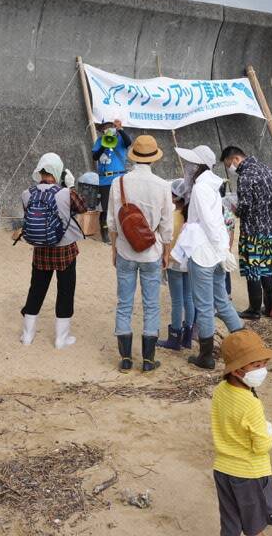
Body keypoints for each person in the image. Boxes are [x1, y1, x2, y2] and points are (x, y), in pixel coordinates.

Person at [107, 134, 174, 373]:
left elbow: (112, 223)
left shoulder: (119, 183)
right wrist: (166, 251)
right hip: (151, 251)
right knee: (151, 304)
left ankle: (125, 358)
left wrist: (114, 250)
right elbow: (167, 226)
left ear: (134, 156)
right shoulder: (163, 185)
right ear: (153, 158)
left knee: (124, 303)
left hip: (125, 249)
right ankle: (148, 359)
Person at [174, 145, 241, 369]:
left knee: (204, 306)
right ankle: (243, 344)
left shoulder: (202, 189)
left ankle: (206, 355)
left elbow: (209, 222)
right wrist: (222, 249)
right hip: (214, 253)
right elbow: (218, 221)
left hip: (203, 253)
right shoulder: (211, 186)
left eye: (192, 164)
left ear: (199, 166)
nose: (189, 167)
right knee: (222, 301)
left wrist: (221, 248)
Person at [211, 329, 272, 536]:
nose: (262, 370)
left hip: (223, 470)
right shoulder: (250, 404)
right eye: (255, 365)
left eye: (263, 364)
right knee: (255, 527)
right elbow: (261, 446)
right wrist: (268, 433)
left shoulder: (220, 391)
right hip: (250, 473)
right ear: (236, 370)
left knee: (230, 524)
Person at [18, 153, 87, 350]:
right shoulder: (66, 193)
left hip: (40, 250)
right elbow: (83, 207)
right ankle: (61, 338)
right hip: (65, 250)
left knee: (36, 290)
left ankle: (27, 336)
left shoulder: (27, 193)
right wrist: (71, 186)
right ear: (58, 171)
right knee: (65, 291)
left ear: (40, 171)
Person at [222, 146, 272, 319]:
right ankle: (271, 307)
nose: (230, 168)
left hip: (253, 230)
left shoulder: (245, 176)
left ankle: (254, 309)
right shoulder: (266, 169)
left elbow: (244, 206)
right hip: (269, 228)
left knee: (253, 269)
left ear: (236, 159)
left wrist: (234, 209)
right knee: (266, 269)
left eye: (228, 164)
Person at [158, 179, 195, 351]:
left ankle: (174, 336)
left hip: (174, 261)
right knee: (188, 298)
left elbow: (166, 240)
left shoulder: (172, 217)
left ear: (174, 197)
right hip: (189, 261)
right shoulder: (191, 217)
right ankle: (188, 335)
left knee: (177, 300)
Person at [92, 119, 133, 242]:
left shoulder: (121, 139)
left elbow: (128, 142)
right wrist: (103, 146)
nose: (107, 129)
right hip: (105, 179)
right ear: (101, 130)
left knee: (122, 206)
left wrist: (120, 129)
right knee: (105, 208)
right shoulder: (99, 141)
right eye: (105, 127)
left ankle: (122, 231)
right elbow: (94, 156)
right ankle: (105, 233)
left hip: (120, 178)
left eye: (110, 126)